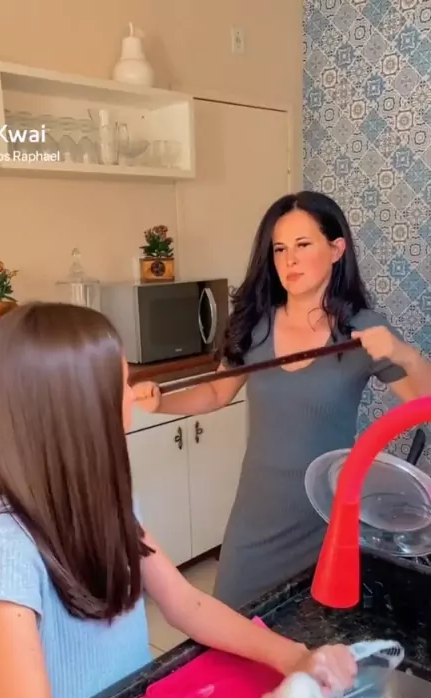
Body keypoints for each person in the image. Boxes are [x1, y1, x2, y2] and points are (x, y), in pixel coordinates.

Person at [0, 302, 356, 698]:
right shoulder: (3, 543)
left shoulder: (107, 498)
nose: (135, 393)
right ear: (79, 405)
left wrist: (294, 656)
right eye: (123, 382)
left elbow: (186, 603)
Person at [134, 191, 431, 609]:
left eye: (303, 245)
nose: (289, 260)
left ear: (336, 250)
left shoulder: (362, 329)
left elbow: (423, 402)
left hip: (324, 518)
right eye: (279, 249)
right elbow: (216, 391)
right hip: (256, 513)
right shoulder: (254, 324)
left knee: (308, 632)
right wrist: (160, 402)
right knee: (231, 622)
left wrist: (405, 355)